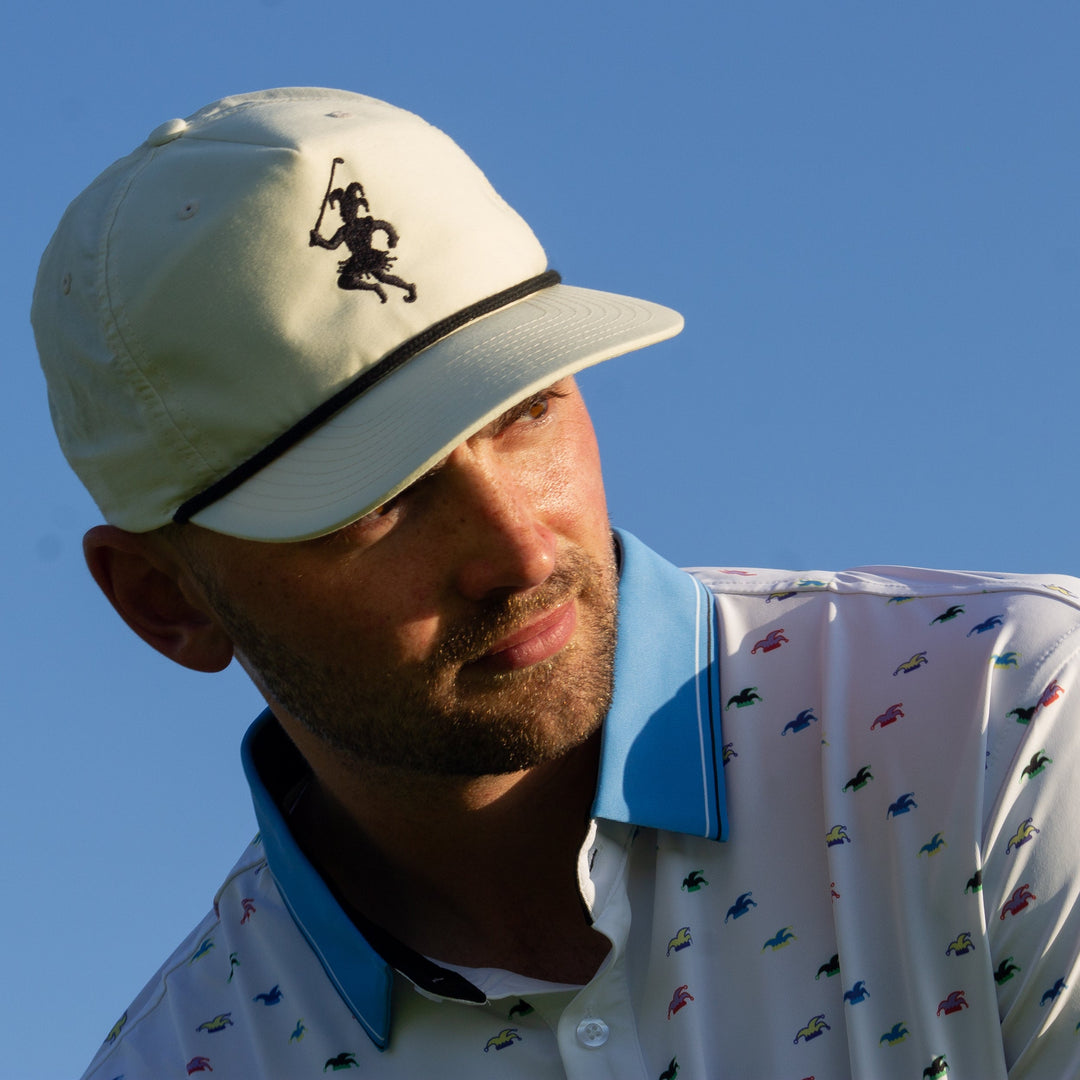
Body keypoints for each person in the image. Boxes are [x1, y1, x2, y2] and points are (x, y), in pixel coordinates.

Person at [33, 87, 1080, 1080]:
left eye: (524, 409)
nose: (522, 555)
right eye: (373, 499)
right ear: (163, 600)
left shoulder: (1019, 717)